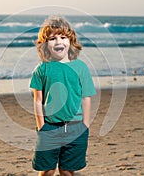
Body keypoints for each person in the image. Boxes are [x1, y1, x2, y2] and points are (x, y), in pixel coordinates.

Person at [30, 16, 96, 176]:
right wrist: (42, 126)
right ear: (45, 44)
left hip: (76, 126)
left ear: (70, 40)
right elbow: (38, 100)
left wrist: (85, 124)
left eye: (63, 37)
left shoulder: (81, 68)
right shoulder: (41, 69)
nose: (58, 42)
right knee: (47, 170)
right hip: (50, 127)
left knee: (66, 170)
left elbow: (86, 97)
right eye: (52, 38)